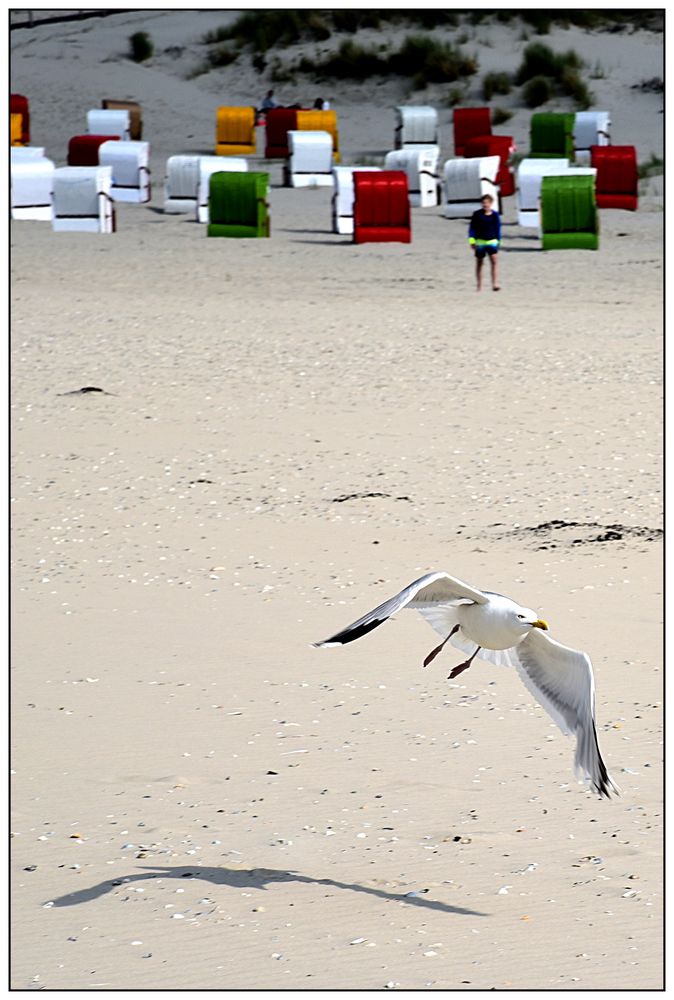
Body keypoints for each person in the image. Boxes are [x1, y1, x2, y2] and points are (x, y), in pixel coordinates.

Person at [468, 194, 501, 291]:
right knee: (480, 263)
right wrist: (472, 241)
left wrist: (498, 241)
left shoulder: (495, 215)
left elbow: (497, 229)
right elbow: (472, 228)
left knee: (494, 261)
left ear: (491, 203)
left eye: (487, 203)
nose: (485, 205)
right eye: (483, 203)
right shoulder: (477, 214)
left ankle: (494, 284)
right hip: (480, 242)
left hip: (492, 241)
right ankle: (479, 286)